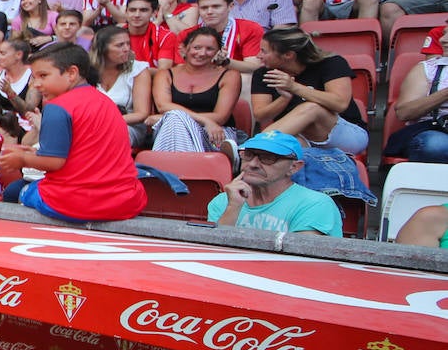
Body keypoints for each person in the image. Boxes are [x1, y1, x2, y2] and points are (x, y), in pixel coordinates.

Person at [0, 44, 146, 222]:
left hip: (76, 203)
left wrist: (23, 159)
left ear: (72, 73)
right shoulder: (105, 101)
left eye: (43, 76)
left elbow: (54, 162)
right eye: (34, 78)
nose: (36, 84)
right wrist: (34, 154)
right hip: (126, 201)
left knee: (20, 191)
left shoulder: (57, 107)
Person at [252, 26, 368, 156]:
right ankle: (255, 155)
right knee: (284, 149)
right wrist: (284, 99)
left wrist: (294, 87)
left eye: (264, 51)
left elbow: (340, 104)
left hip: (345, 135)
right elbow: (260, 116)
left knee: (312, 108)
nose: (258, 56)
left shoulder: (332, 63)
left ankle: (253, 149)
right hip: (299, 136)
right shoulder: (263, 74)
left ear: (288, 55)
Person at [206, 131, 342, 235]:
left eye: (267, 158)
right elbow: (213, 253)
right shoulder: (224, 201)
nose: (253, 164)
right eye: (248, 155)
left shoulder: (315, 204)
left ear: (294, 167)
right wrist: (233, 207)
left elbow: (301, 262)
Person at [150, 26, 244, 161]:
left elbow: (220, 117)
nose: (202, 53)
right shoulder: (165, 74)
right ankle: (188, 170)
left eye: (210, 49)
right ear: (183, 48)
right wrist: (205, 120)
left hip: (215, 132)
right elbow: (163, 106)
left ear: (218, 52)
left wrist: (168, 117)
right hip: (174, 130)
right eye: (197, 48)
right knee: (174, 120)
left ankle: (171, 175)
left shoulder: (230, 75)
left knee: (173, 117)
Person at [384, 37, 448, 163]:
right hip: (436, 130)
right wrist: (445, 94)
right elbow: (403, 113)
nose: (442, 39)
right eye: (445, 33)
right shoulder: (430, 69)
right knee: (434, 145)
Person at [89, 26, 153, 149]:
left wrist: (107, 122)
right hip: (92, 125)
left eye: (128, 44)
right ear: (102, 49)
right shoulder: (87, 71)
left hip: (128, 126)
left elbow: (142, 114)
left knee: (107, 134)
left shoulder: (138, 70)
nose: (126, 49)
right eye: (119, 45)